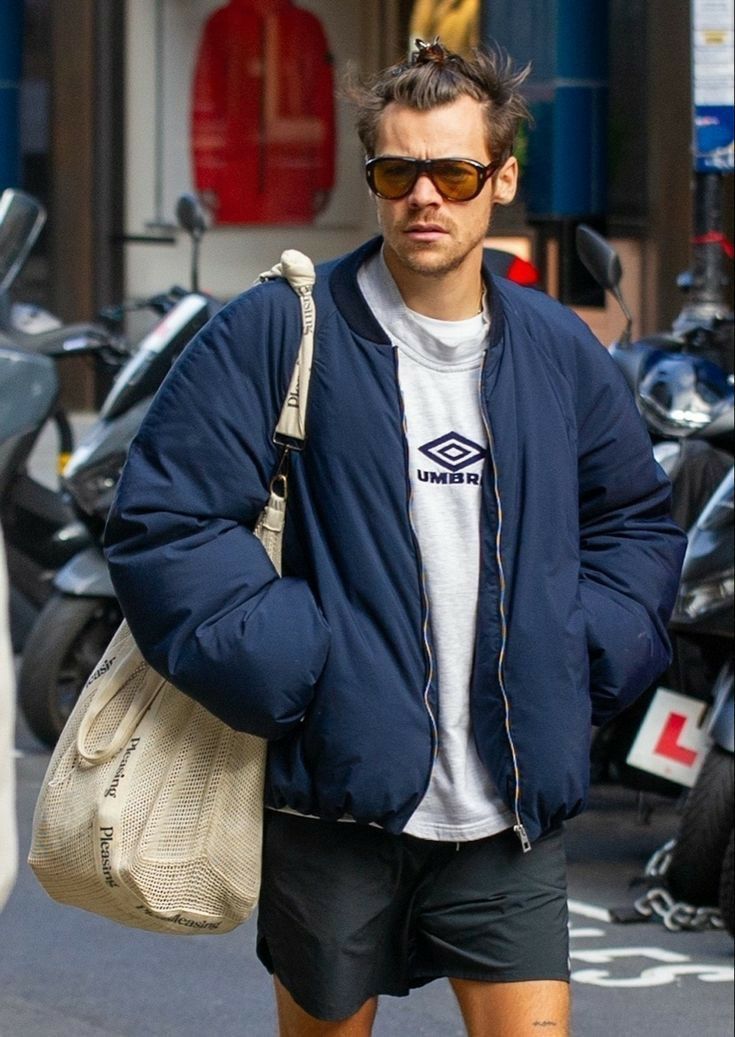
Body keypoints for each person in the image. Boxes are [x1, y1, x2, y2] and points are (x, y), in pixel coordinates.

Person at [104, 39, 686, 1037]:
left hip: (506, 813)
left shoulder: (557, 350)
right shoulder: (278, 330)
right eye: (398, 171)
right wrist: (301, 669)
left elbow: (632, 521)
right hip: (335, 809)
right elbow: (167, 522)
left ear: (500, 180)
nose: (427, 196)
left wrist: (578, 652)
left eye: (454, 172)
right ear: (372, 176)